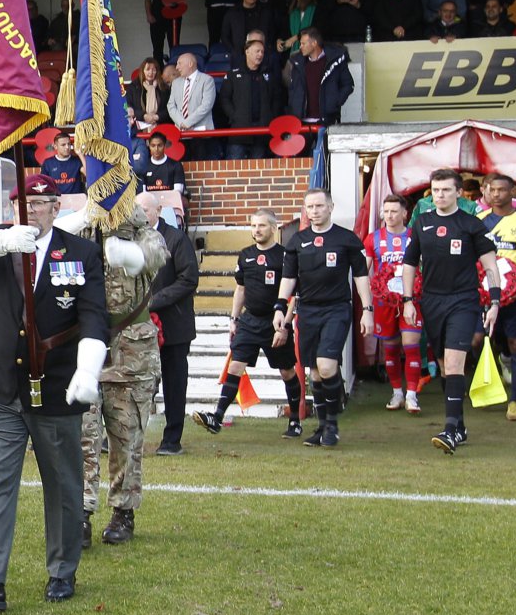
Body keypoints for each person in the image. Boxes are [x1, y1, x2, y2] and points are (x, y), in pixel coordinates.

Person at [0, 174, 109, 612]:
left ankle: (62, 570)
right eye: (23, 203)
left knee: (63, 484)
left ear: (57, 207)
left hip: (55, 388)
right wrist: (1, 243)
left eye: (40, 204)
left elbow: (94, 315)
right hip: (0, 388)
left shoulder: (82, 253)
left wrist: (88, 366)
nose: (31, 210)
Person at [80, 200, 169, 547]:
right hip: (86, 351)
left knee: (125, 438)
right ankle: (81, 513)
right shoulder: (79, 237)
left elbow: (150, 258)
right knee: (82, 438)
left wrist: (118, 246)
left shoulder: (147, 238)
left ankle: (123, 510)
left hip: (131, 354)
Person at [399, 167, 505, 455]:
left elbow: (491, 265)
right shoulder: (422, 224)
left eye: (446, 190)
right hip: (431, 302)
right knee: (445, 366)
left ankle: (449, 430)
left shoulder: (471, 224)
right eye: (435, 190)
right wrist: (408, 300)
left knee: (455, 362)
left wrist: (494, 302)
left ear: (459, 192)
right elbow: (409, 263)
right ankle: (459, 425)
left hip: (463, 300)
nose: (440, 195)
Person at [195, 210, 307, 439]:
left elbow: (292, 295)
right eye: (253, 225)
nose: (256, 230)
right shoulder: (245, 255)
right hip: (249, 320)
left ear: (274, 228)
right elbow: (241, 289)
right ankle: (217, 417)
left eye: (262, 226)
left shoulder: (285, 256)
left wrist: (285, 326)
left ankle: (295, 419)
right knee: (235, 366)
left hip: (275, 322)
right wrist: (234, 320)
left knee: (287, 371)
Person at [275, 188, 373, 447]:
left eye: (320, 206)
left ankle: (332, 425)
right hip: (307, 311)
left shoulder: (346, 239)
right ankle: (321, 428)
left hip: (337, 309)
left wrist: (367, 310)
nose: (315, 211)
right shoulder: (297, 240)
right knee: (316, 372)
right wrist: (279, 307)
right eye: (310, 207)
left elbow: (361, 276)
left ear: (330, 207)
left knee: (327, 365)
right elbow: (289, 279)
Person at [477, 175, 516, 422]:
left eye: (502, 190)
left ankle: (515, 400)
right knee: (476, 341)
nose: (496, 194)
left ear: (512, 191)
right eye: (492, 190)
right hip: (484, 294)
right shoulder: (478, 222)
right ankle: (495, 373)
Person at [149, 195, 199, 455]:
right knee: (134, 383)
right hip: (138, 327)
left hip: (174, 326)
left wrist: (154, 302)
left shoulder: (176, 239)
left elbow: (189, 279)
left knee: (174, 383)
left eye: (144, 210)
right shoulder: (127, 239)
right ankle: (122, 435)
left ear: (159, 210)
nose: (138, 214)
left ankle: (172, 440)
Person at [367, 197, 425, 414]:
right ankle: (397, 393)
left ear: (405, 214)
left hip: (412, 300)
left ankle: (412, 395)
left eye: (394, 211)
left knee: (410, 344)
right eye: (386, 211)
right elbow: (365, 272)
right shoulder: (373, 239)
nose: (389, 216)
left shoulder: (415, 237)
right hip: (385, 302)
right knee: (390, 349)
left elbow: (424, 265)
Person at [285, 28, 354, 126]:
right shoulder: (296, 62)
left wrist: (335, 102)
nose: (300, 47)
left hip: (326, 121)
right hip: (301, 122)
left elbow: (348, 85)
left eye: (303, 44)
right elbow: (291, 87)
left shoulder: (334, 60)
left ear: (314, 43)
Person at [167, 52, 216, 156]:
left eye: (179, 63)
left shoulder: (207, 80)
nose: (177, 67)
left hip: (201, 134)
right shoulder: (176, 83)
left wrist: (187, 123)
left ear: (190, 64)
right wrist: (181, 123)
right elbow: (171, 106)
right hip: (181, 133)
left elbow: (206, 105)